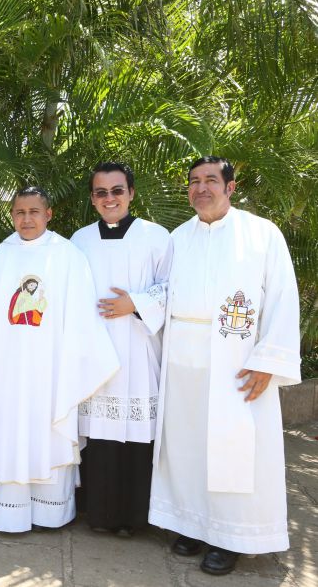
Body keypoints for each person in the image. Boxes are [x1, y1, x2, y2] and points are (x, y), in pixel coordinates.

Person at [149, 156, 301, 575]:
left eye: (210, 181)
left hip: (238, 362)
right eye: (194, 182)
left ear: (230, 187)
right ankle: (192, 524)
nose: (201, 189)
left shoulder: (261, 234)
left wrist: (269, 361)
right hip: (183, 364)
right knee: (188, 448)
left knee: (233, 451)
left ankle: (229, 537)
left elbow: (283, 299)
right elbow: (162, 292)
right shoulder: (179, 237)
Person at [0, 186, 119, 533]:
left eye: (34, 212)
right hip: (5, 367)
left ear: (48, 215)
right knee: (7, 425)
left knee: (47, 424)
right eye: (20, 212)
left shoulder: (67, 256)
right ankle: (2, 506)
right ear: (13, 215)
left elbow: (80, 317)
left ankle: (49, 512)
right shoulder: (0, 256)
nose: (27, 219)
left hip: (50, 368)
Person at [70, 162, 172, 536]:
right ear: (93, 199)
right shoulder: (78, 241)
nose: (109, 198)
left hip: (138, 350)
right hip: (93, 352)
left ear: (131, 193)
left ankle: (133, 518)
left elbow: (173, 287)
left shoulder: (157, 237)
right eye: (101, 192)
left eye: (117, 190)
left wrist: (137, 304)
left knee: (135, 435)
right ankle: (98, 514)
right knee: (98, 434)